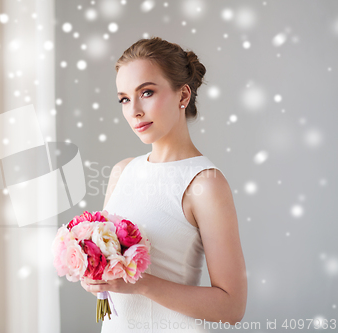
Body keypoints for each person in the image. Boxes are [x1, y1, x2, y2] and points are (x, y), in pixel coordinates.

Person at [80, 36, 247, 332]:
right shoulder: (122, 172)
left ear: (183, 95)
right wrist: (96, 275)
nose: (134, 111)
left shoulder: (204, 183)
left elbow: (231, 307)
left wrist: (140, 284)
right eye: (124, 99)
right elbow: (113, 278)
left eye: (146, 92)